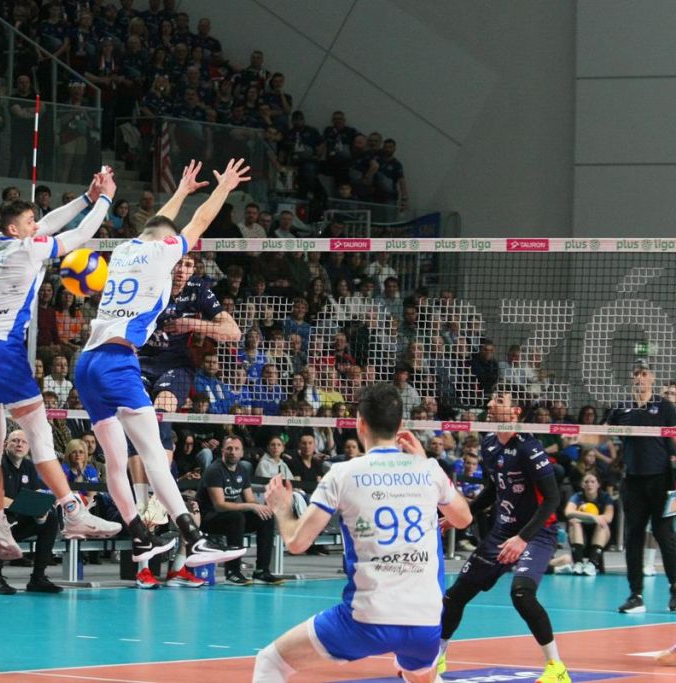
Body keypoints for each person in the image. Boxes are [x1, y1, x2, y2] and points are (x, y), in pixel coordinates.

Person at [73, 159, 251, 568]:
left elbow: (157, 223)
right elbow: (199, 222)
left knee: (116, 459)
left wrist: (182, 191)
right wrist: (222, 188)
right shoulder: (163, 252)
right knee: (154, 455)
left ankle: (141, 538)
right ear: (167, 241)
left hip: (88, 362)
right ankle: (195, 539)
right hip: (119, 363)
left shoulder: (124, 250)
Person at [254, 382, 471, 683]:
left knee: (270, 662)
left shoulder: (342, 473)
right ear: (400, 425)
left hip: (366, 619)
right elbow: (463, 518)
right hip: (426, 623)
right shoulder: (429, 470)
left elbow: (296, 542)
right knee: (422, 675)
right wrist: (424, 463)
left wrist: (281, 507)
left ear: (360, 423)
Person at [0, 169, 122, 561]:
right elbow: (79, 235)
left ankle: (0, 527)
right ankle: (73, 510)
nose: (37, 226)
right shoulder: (28, 249)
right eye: (30, 222)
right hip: (3, 351)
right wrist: (105, 198)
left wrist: (85, 197)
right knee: (39, 433)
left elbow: (47, 223)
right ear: (16, 230)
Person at [438, 389, 569, 683]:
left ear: (515, 411)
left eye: (499, 401)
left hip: (536, 532)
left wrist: (522, 538)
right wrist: (461, 515)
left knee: (521, 593)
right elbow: (493, 490)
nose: (490, 404)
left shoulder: (529, 448)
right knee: (455, 596)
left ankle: (557, 668)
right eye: (492, 399)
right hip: (503, 531)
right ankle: (438, 657)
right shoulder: (488, 444)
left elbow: (552, 499)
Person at [605, 360, 676, 613]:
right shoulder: (622, 407)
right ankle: (635, 595)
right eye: (636, 373)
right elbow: (601, 432)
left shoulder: (665, 406)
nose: (640, 377)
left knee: (664, 535)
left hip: (662, 481)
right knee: (633, 537)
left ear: (652, 377)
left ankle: (675, 591)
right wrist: (575, 435)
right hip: (633, 481)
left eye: (644, 373)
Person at [0, 430, 63, 594]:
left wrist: (41, 509)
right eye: (15, 441)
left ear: (29, 447)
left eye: (23, 442)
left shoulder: (29, 466)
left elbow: (35, 494)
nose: (19, 444)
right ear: (5, 445)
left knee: (50, 519)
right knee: (3, 516)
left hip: (13, 517)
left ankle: (38, 578)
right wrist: (28, 506)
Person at [198, 435, 281, 584]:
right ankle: (232, 572)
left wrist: (260, 507)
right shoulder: (214, 470)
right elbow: (219, 505)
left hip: (229, 517)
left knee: (266, 516)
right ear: (223, 451)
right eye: (229, 448)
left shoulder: (242, 470)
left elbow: (250, 500)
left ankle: (261, 571)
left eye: (237, 449)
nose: (233, 452)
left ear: (242, 453)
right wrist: (251, 506)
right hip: (208, 518)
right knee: (237, 517)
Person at [562, 471, 614, 576]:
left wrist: (586, 518)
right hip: (581, 537)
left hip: (601, 538)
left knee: (602, 524)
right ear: (582, 484)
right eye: (586, 482)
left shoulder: (605, 497)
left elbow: (608, 517)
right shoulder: (577, 497)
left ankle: (592, 564)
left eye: (592, 482)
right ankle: (578, 563)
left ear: (598, 484)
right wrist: (591, 517)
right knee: (574, 523)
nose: (589, 484)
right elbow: (568, 512)